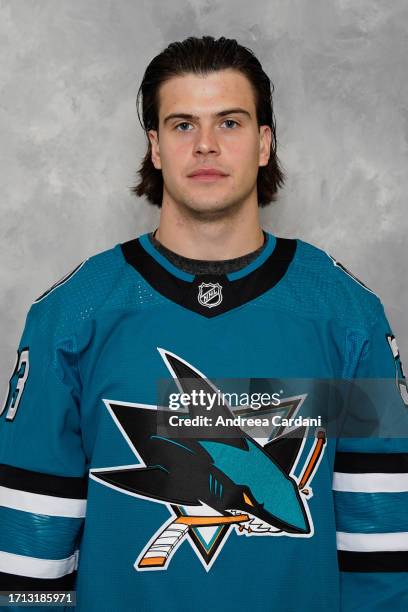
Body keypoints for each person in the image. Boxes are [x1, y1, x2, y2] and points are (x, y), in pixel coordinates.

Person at [0, 35, 407, 612]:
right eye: (183, 125)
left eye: (231, 123)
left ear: (265, 144)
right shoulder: (73, 315)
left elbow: (385, 551)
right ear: (156, 147)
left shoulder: (346, 313)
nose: (207, 146)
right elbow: (26, 558)